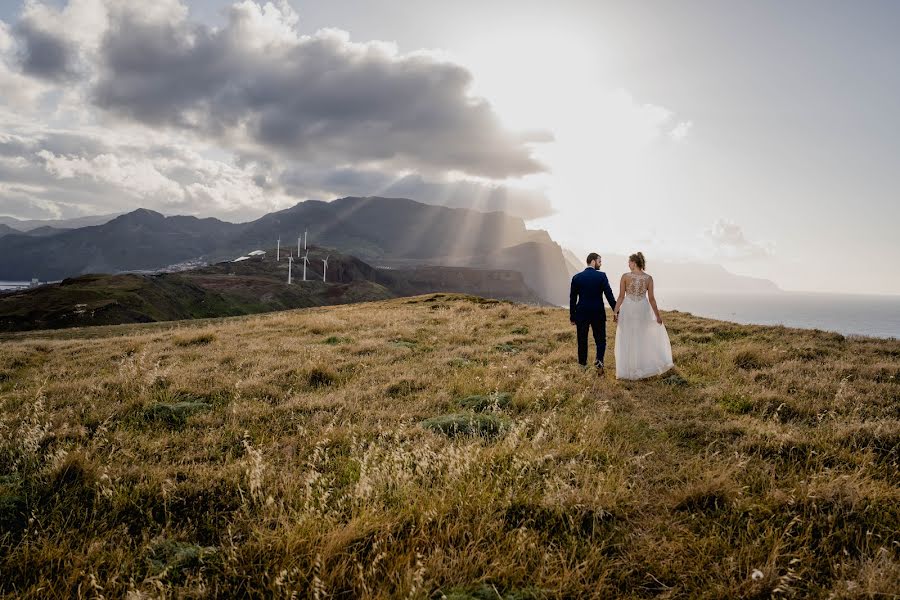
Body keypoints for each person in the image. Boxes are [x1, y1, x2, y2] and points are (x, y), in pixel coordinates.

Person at [612, 252, 674, 380]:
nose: (628, 264)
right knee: (642, 335)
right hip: (642, 308)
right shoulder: (649, 278)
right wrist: (658, 316)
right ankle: (640, 366)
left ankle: (628, 369)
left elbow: (621, 297)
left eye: (629, 262)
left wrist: (615, 311)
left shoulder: (625, 277)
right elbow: (651, 299)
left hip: (628, 308)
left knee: (627, 335)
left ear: (634, 263)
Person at [569, 252, 617, 372]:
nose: (600, 264)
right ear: (593, 261)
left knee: (582, 340)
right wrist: (616, 310)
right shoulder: (601, 276)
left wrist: (572, 316)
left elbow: (573, 299)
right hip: (598, 313)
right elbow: (609, 295)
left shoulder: (577, 277)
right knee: (600, 339)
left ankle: (582, 365)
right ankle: (599, 361)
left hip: (581, 313)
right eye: (599, 262)